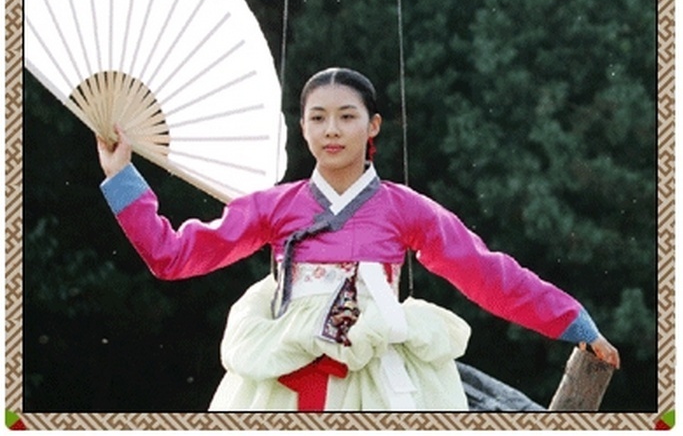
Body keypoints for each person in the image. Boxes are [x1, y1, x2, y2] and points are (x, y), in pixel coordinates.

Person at [97, 67, 620, 411]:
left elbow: (486, 272)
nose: (332, 129)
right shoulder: (271, 207)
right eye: (318, 118)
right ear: (302, 128)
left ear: (372, 127)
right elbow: (172, 256)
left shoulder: (405, 209)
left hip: (379, 373)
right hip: (282, 370)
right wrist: (121, 176)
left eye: (347, 117)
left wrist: (573, 322)